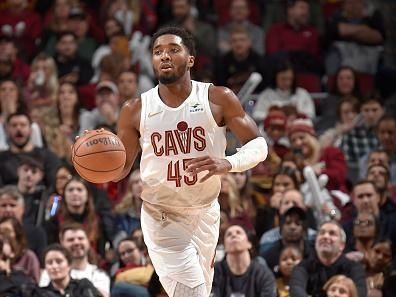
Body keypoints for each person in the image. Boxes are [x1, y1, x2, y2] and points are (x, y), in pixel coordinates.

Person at [98, 26, 268, 297]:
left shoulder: (218, 98)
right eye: (157, 52)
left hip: (205, 212)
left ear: (190, 59)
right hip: (161, 214)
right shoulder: (134, 110)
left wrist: (229, 163)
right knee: (193, 292)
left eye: (173, 50)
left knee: (199, 290)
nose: (164, 56)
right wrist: (97, 160)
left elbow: (259, 145)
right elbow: (119, 172)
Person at [289, 221, 367, 297]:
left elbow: (359, 293)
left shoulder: (354, 268)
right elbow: (296, 291)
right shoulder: (302, 267)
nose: (325, 236)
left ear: (342, 245)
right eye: (322, 233)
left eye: (332, 233)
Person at [211, 224, 277, 297]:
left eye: (238, 232)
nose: (234, 235)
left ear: (249, 243)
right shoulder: (214, 272)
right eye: (229, 234)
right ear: (225, 247)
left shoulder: (264, 274)